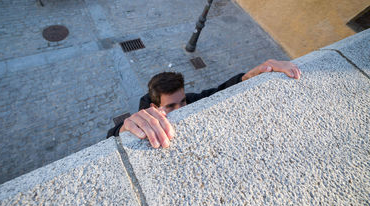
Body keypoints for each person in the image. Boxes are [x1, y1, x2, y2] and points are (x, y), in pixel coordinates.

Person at [107, 59, 301, 148]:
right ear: (155, 107)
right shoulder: (146, 114)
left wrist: (254, 74)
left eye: (182, 101)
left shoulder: (191, 101)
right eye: (172, 107)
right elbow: (112, 135)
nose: (182, 109)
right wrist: (124, 129)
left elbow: (219, 92)